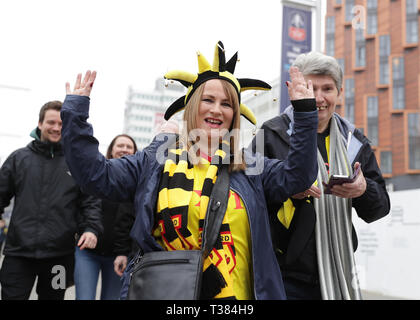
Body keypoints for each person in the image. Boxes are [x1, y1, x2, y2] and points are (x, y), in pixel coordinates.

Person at [60, 41, 319, 300]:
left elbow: (298, 176)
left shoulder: (251, 167)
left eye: (227, 104)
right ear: (193, 107)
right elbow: (95, 176)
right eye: (208, 100)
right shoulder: (155, 162)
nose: (216, 109)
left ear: (234, 115)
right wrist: (75, 115)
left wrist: (305, 114)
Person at [251, 51, 390, 300]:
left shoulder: (354, 142)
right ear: (295, 91)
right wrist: (288, 188)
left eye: (327, 88)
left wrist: (362, 189)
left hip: (339, 272)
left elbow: (379, 208)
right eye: (310, 88)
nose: (319, 98)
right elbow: (247, 196)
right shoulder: (272, 133)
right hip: (284, 276)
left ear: (339, 92)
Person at [0, 101, 103, 300]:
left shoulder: (77, 164)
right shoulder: (18, 159)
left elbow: (90, 202)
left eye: (61, 124)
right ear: (40, 124)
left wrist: (91, 229)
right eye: (51, 122)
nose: (56, 128)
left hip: (59, 258)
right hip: (18, 254)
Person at [73, 134, 138, 300]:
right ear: (111, 150)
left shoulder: (138, 182)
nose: (124, 149)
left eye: (129, 146)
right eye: (120, 145)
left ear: (135, 152)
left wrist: (124, 252)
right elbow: (87, 205)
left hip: (119, 255)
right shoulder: (98, 175)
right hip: (87, 252)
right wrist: (88, 229)